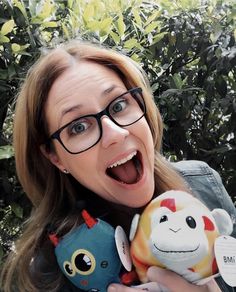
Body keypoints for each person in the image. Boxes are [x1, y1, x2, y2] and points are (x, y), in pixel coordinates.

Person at [1, 40, 235, 292]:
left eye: (118, 105)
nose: (115, 134)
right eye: (78, 127)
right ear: (55, 157)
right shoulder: (53, 271)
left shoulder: (203, 185)